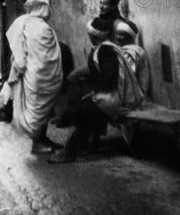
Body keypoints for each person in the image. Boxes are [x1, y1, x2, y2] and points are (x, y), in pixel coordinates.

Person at [48, 17, 144, 164]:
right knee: (85, 109)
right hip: (110, 94)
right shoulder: (103, 48)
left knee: (83, 112)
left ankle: (69, 151)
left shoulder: (106, 51)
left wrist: (95, 92)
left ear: (93, 35)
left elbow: (109, 78)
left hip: (116, 97)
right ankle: (87, 143)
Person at [6, 0, 63, 154]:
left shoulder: (27, 23)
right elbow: (24, 51)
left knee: (41, 109)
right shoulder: (34, 26)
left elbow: (22, 51)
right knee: (38, 109)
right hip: (37, 77)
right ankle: (37, 142)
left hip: (38, 76)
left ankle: (41, 139)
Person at [115, 21, 150, 95]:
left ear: (130, 35)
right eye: (117, 33)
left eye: (122, 34)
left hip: (132, 95)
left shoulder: (130, 52)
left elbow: (126, 77)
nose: (117, 37)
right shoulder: (137, 49)